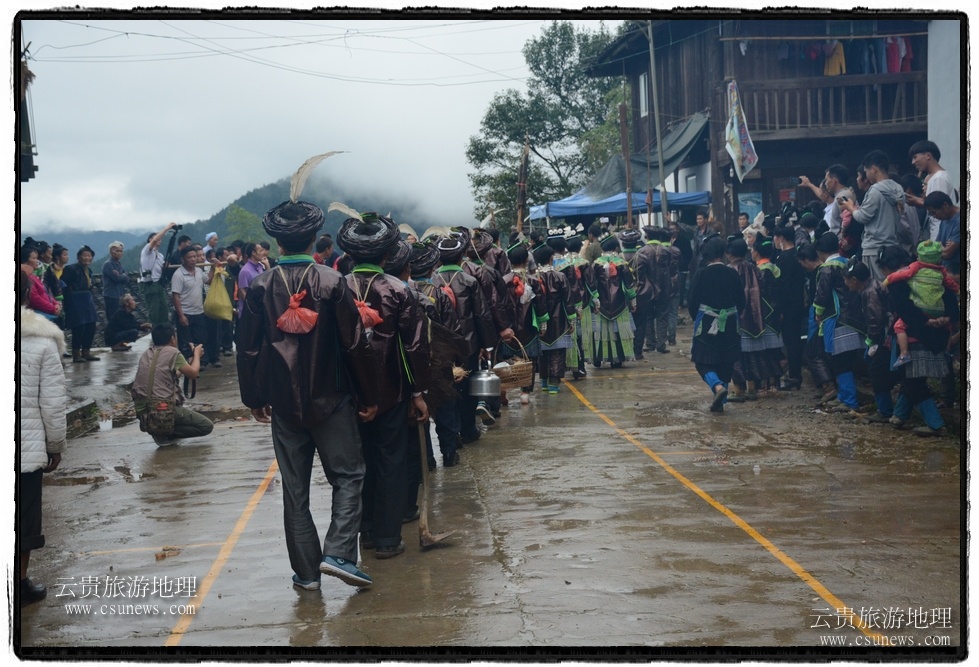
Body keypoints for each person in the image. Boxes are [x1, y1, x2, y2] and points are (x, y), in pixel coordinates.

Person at [237, 198, 381, 590]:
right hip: (332, 398)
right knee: (349, 475)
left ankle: (307, 574)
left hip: (284, 404)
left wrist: (255, 398)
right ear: (314, 238)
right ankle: (338, 552)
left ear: (277, 242)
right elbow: (355, 344)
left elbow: (247, 348)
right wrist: (369, 395)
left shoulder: (260, 286)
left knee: (295, 488)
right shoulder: (332, 282)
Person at [339, 213, 432, 561]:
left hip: (349, 393)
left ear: (350, 254)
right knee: (390, 460)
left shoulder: (336, 287)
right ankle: (388, 539)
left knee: (358, 461)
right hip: (392, 390)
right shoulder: (399, 290)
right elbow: (415, 347)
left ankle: (366, 531)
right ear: (387, 254)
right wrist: (418, 393)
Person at [19, 279, 68, 606]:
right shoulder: (42, 341)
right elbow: (51, 402)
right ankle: (19, 583)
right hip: (25, 449)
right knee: (23, 517)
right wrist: (55, 445)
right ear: (27, 295)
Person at [877, 246, 958, 436]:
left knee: (912, 380)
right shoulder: (939, 277)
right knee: (913, 378)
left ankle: (935, 424)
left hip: (913, 336)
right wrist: (944, 319)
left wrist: (924, 321)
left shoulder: (901, 280)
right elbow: (953, 305)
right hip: (938, 335)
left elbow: (904, 308)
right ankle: (900, 415)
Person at [687, 236, 745, 413]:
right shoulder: (732, 273)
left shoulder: (701, 274)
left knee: (702, 361)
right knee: (726, 362)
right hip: (730, 323)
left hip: (707, 323)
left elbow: (692, 302)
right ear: (723, 253)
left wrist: (697, 318)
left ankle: (717, 388)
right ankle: (720, 401)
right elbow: (741, 301)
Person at [132, 323, 213, 446]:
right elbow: (194, 374)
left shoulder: (147, 353)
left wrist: (189, 361)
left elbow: (169, 374)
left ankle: (159, 429)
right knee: (206, 426)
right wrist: (197, 355)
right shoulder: (173, 352)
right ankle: (164, 432)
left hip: (143, 411)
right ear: (172, 339)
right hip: (160, 408)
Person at [883, 239, 959, 368]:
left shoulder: (912, 271)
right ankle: (947, 353)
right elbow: (952, 292)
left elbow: (903, 307)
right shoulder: (942, 273)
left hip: (918, 324)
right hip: (939, 318)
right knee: (948, 329)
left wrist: (887, 281)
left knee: (898, 326)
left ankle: (904, 353)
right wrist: (946, 317)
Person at [812, 233, 866, 414]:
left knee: (840, 361)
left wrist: (818, 313)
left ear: (820, 252)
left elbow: (822, 295)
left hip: (836, 319)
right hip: (855, 319)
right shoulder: (848, 262)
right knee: (847, 360)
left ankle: (849, 400)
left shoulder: (827, 268)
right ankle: (843, 396)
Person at [838, 150, 905, 282]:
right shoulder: (898, 188)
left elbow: (862, 217)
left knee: (875, 285)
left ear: (873, 169)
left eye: (866, 171)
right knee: (891, 283)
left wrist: (850, 207)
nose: (866, 175)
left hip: (874, 248)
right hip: (893, 246)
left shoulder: (875, 190)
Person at [842, 259, 894, 423]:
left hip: (884, 336)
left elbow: (875, 319)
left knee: (876, 370)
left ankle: (885, 410)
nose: (845, 284)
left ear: (854, 280)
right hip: (885, 334)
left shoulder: (870, 292)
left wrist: (872, 341)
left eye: (846, 280)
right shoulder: (872, 285)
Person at [533, 244, 575, 393]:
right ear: (551, 258)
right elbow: (568, 300)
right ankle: (554, 384)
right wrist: (572, 319)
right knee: (557, 353)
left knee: (542, 353)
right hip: (559, 321)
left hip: (538, 321)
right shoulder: (560, 276)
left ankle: (544, 381)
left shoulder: (533, 278)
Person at [772, 226, 806, 391]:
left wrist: (780, 310)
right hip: (799, 303)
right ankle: (795, 374)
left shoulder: (784, 258)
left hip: (788, 305)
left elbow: (782, 287)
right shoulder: (797, 255)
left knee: (791, 342)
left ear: (781, 238)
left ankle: (794, 376)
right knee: (795, 341)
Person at [170, 245, 212, 365]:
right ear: (183, 259)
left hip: (199, 311)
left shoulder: (198, 271)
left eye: (194, 256)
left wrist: (214, 268)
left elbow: (208, 280)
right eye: (190, 257)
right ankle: (187, 364)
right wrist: (181, 315)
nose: (193, 259)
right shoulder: (178, 275)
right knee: (186, 341)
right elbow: (176, 296)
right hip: (185, 312)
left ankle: (201, 362)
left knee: (201, 339)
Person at [907, 140, 957, 241]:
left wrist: (917, 201)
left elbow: (939, 207)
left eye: (915, 157)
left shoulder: (939, 178)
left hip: (940, 233)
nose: (913, 162)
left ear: (928, 156)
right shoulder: (934, 177)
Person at [61, 245, 101, 363]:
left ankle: (86, 352)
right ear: (78, 257)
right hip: (75, 300)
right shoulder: (70, 269)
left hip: (87, 300)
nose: (87, 258)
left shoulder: (88, 270)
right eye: (85, 256)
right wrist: (67, 303)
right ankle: (76, 354)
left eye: (89, 256)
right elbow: (63, 286)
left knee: (91, 326)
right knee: (79, 328)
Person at [141, 223, 179, 326]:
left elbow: (166, 266)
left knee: (163, 309)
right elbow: (154, 241)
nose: (159, 240)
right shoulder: (147, 250)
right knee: (154, 311)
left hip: (159, 283)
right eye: (157, 238)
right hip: (150, 284)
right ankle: (154, 330)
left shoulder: (160, 255)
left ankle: (163, 330)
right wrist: (167, 228)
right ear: (150, 239)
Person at [923, 191, 960, 283]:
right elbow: (936, 244)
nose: (934, 216)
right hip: (946, 269)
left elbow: (947, 253)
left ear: (945, 205)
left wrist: (941, 248)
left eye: (934, 212)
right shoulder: (944, 220)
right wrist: (943, 247)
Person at [21, 245, 61, 321]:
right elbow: (35, 299)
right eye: (34, 258)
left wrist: (56, 304)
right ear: (25, 260)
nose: (37, 261)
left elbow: (46, 293)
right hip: (37, 315)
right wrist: (53, 308)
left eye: (37, 258)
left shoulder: (34, 276)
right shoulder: (26, 277)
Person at [235, 242, 269, 318]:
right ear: (253, 253)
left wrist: (267, 266)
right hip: (249, 312)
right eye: (260, 251)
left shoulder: (260, 266)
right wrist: (251, 306)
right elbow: (242, 290)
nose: (263, 253)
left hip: (260, 307)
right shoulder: (245, 270)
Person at [101, 241, 130, 322]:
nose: (119, 253)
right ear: (111, 251)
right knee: (113, 318)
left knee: (120, 318)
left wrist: (122, 275)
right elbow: (116, 279)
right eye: (117, 251)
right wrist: (123, 275)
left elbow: (127, 279)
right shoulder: (108, 264)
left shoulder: (119, 264)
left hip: (120, 295)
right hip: (111, 295)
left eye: (121, 251)